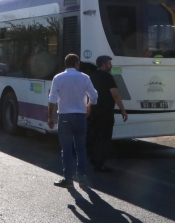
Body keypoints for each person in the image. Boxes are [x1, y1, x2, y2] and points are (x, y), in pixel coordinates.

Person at [48, 53, 98, 188]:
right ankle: (82, 178)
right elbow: (94, 95)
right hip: (81, 117)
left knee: (66, 149)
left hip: (64, 117)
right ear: (77, 64)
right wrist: (89, 107)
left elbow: (52, 98)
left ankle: (68, 180)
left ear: (66, 64)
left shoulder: (58, 78)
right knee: (81, 148)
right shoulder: (84, 77)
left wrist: (50, 116)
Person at [87, 55, 128, 172]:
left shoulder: (91, 76)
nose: (111, 65)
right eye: (109, 63)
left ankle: (93, 159)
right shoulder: (108, 77)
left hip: (94, 111)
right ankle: (100, 164)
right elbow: (115, 94)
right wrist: (123, 110)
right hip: (106, 112)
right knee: (104, 139)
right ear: (103, 64)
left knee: (95, 137)